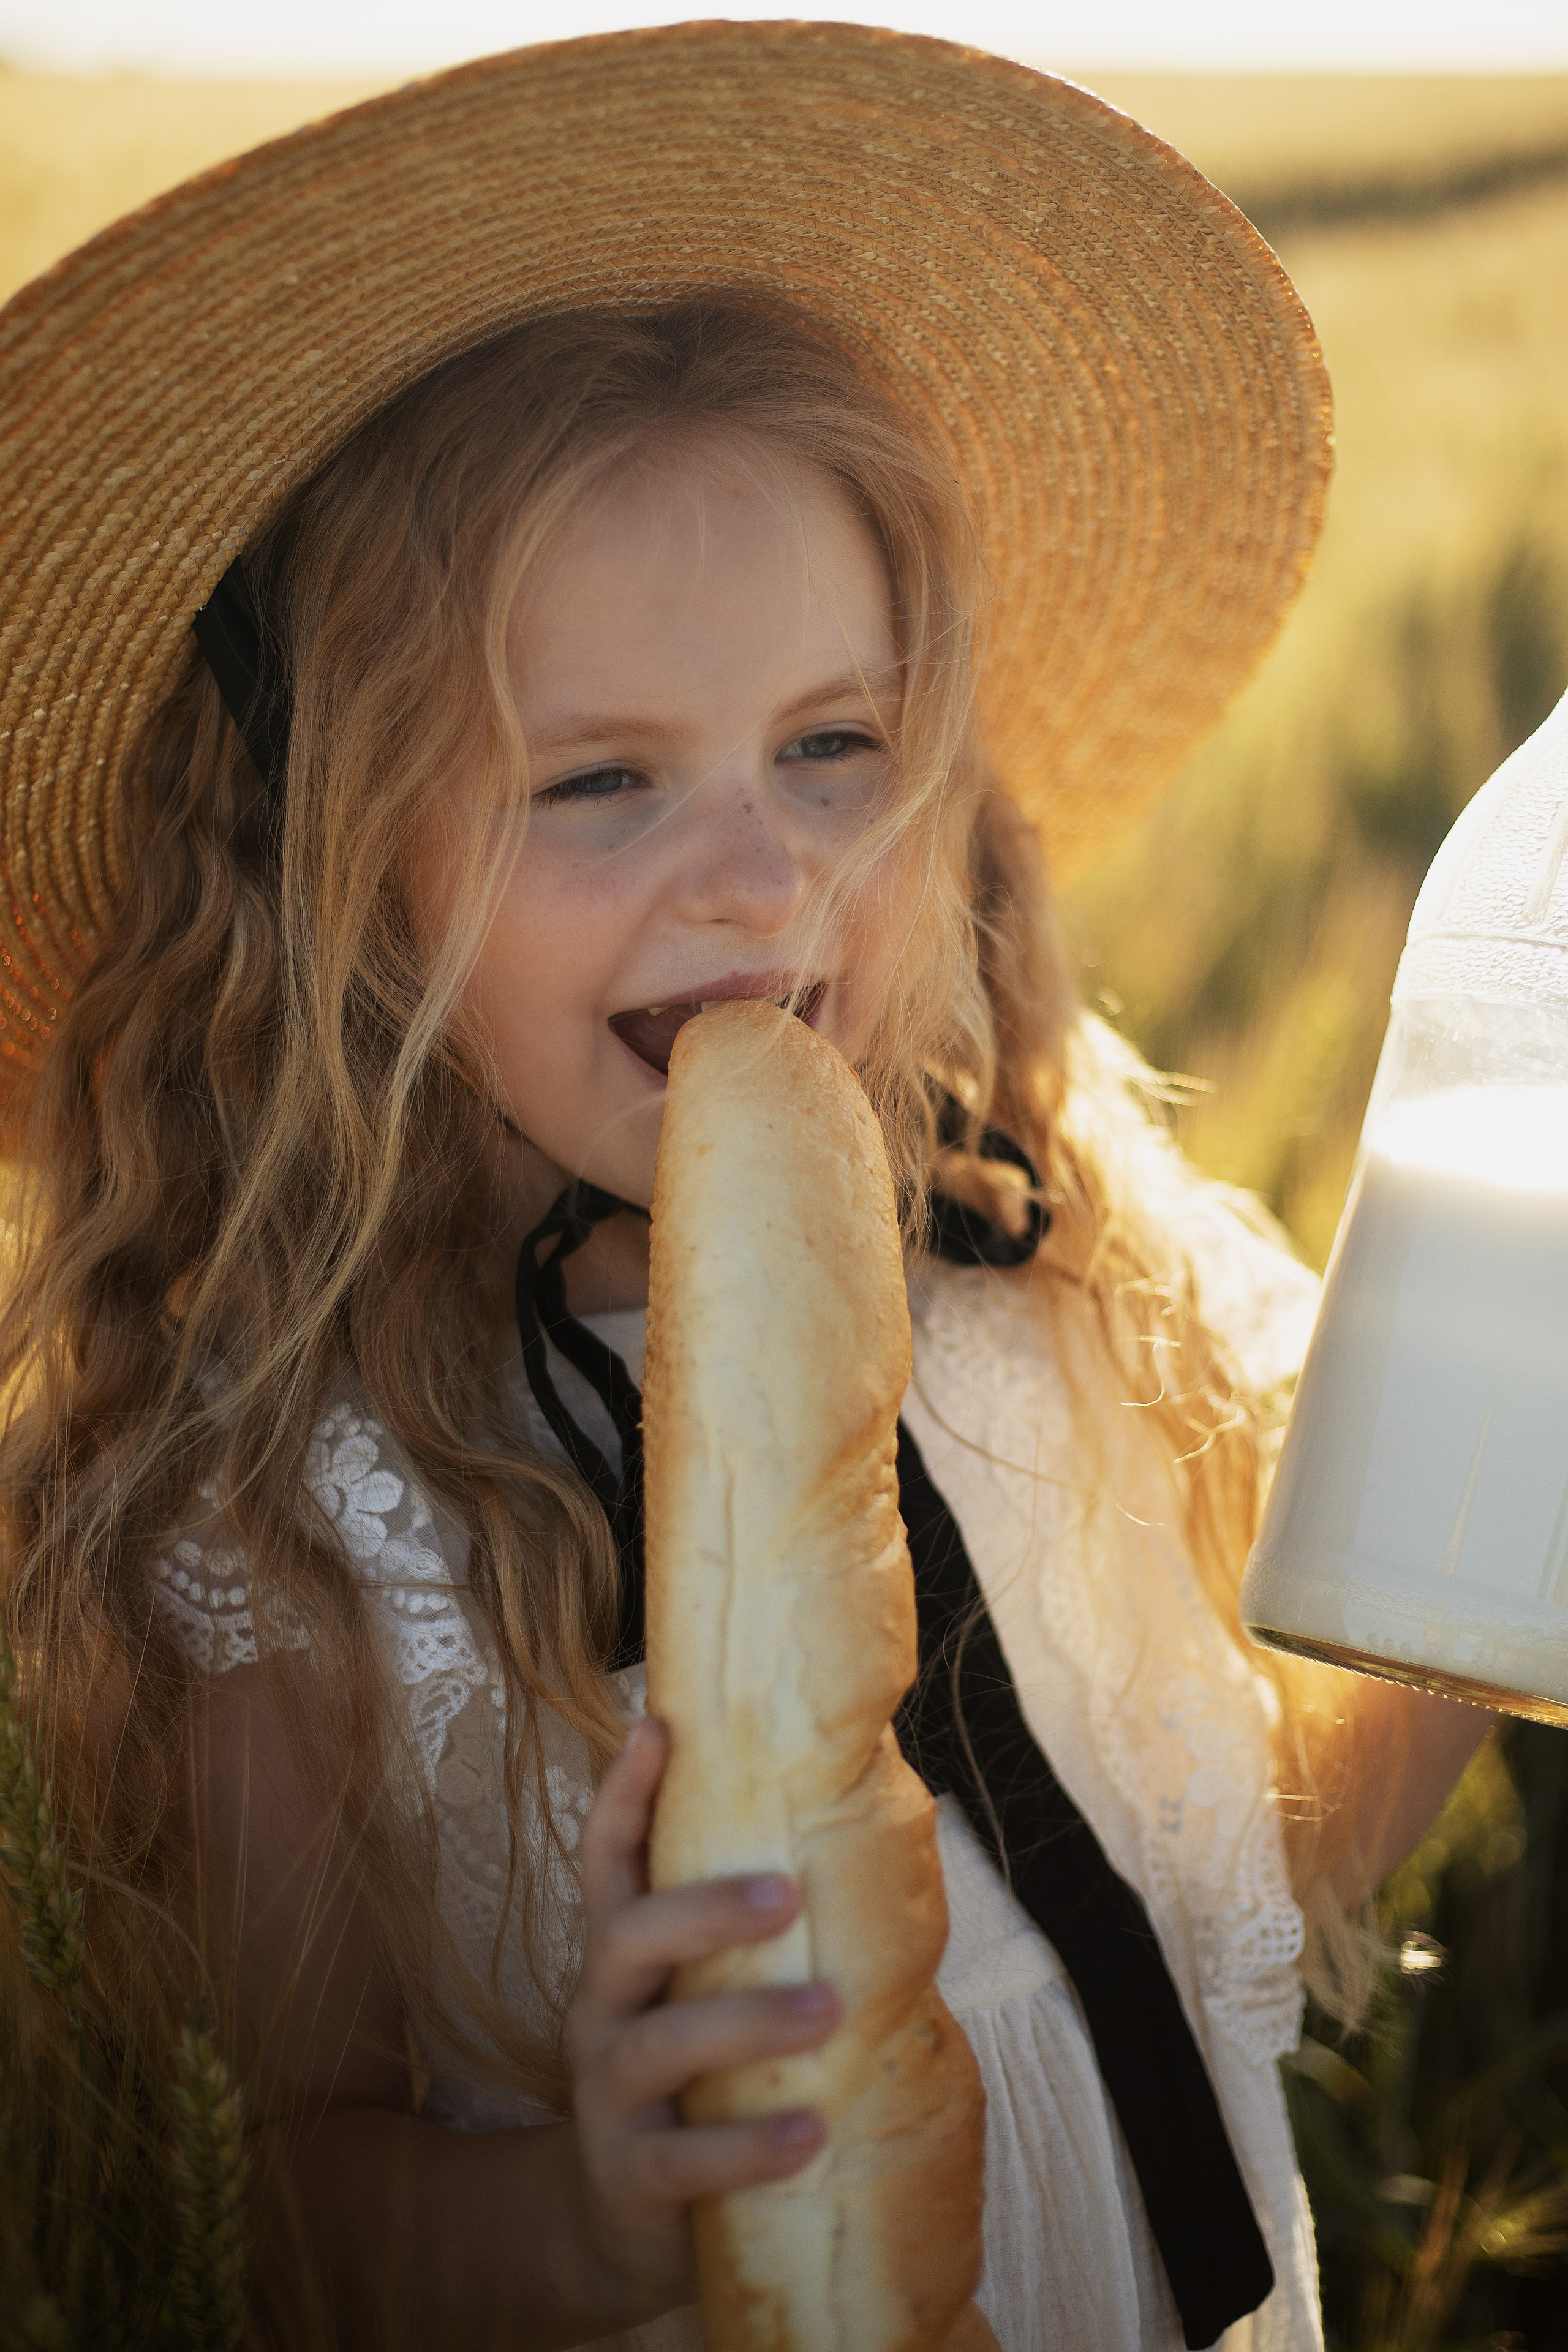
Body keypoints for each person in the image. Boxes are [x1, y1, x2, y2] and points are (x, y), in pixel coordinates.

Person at [0, 24, 1491, 2352]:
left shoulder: (1052, 1271)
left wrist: (1487, 1545)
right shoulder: (294, 1516)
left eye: (832, 746)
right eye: (597, 780)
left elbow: (1258, 1874)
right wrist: (583, 2221)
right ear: (342, 886)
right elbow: (256, 2211)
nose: (760, 872)